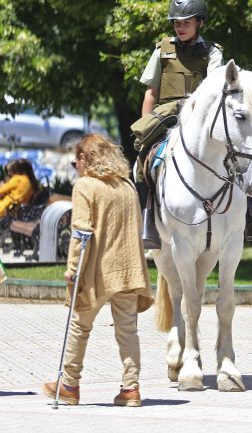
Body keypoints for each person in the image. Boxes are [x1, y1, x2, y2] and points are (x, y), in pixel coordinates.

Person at [131, 0, 252, 246]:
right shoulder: (162, 50)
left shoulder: (213, 52)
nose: (180, 27)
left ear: (200, 23)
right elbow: (151, 92)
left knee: (237, 155)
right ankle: (148, 219)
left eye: (186, 22)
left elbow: (215, 88)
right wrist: (146, 129)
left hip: (200, 116)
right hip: (165, 115)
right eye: (176, 22)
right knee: (142, 164)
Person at [42, 134, 154, 406]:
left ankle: (69, 385)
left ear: (85, 158)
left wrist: (72, 270)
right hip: (129, 270)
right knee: (128, 331)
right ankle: (131, 389)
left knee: (79, 327)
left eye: (75, 159)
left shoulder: (86, 186)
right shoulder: (127, 185)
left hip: (97, 272)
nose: (74, 165)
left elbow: (80, 232)